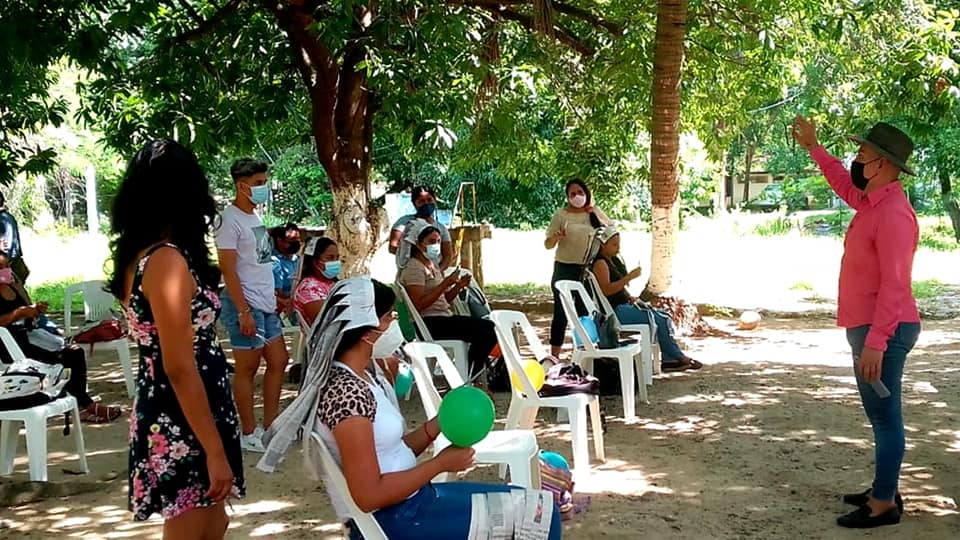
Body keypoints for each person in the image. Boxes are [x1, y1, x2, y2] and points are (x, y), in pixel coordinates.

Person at [257, 277, 561, 539]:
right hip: (396, 519)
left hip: (412, 502)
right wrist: (439, 464)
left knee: (533, 504)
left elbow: (389, 451)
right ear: (366, 331)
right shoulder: (346, 394)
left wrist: (436, 425)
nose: (395, 324)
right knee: (541, 517)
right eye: (389, 317)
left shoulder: (365, 377)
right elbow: (368, 496)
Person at [106, 140, 244, 537]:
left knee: (213, 522)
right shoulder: (166, 261)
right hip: (184, 418)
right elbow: (180, 366)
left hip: (189, 412)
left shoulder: (146, 253)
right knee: (195, 525)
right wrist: (213, 450)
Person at [793, 116, 921, 529]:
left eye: (862, 153)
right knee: (879, 414)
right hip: (868, 327)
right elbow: (841, 182)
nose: (856, 159)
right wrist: (814, 147)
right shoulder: (871, 201)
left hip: (885, 330)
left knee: (885, 418)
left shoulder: (894, 214)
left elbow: (896, 284)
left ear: (882, 163)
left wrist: (877, 341)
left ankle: (883, 503)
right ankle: (884, 487)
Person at [216, 158, 289, 453]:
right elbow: (229, 269)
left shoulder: (254, 217)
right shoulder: (228, 220)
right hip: (244, 303)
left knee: (279, 360)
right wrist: (243, 310)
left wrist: (274, 295)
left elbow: (260, 262)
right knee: (247, 368)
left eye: (264, 182)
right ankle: (248, 431)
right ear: (241, 185)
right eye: (259, 183)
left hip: (265, 301)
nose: (264, 188)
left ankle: (271, 425)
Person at [0, 251, 121, 423]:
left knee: (74, 352)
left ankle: (81, 403)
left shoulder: (12, 286)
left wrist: (33, 308)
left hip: (30, 337)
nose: (6, 271)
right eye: (1, 268)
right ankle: (84, 405)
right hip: (9, 346)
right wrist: (18, 313)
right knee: (64, 359)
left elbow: (26, 306)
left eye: (7, 266)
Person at [590, 226, 701, 372]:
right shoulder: (600, 263)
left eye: (619, 244)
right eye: (614, 245)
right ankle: (676, 357)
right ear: (603, 244)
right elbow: (606, 290)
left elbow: (618, 290)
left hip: (623, 305)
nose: (618, 248)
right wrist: (628, 278)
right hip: (615, 311)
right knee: (659, 319)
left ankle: (670, 359)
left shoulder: (612, 261)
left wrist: (629, 297)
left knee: (664, 316)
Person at [399, 223, 497, 382]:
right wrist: (445, 283)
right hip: (430, 323)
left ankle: (472, 372)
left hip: (443, 318)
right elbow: (418, 304)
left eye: (438, 241)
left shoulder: (432, 265)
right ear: (418, 243)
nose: (436, 245)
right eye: (431, 241)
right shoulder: (414, 268)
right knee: (486, 331)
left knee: (488, 328)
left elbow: (444, 299)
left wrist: (458, 286)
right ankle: (471, 375)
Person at [544, 179, 611, 357]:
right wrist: (556, 237)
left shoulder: (593, 212)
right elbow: (548, 244)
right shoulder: (561, 215)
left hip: (585, 270)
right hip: (563, 268)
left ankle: (586, 353)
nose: (577, 197)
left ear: (587, 193)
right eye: (572, 194)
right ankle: (554, 356)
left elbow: (610, 231)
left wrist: (594, 212)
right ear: (567, 197)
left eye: (580, 192)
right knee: (561, 313)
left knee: (585, 312)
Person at [388, 185, 455, 270]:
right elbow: (392, 247)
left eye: (429, 200)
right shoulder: (403, 223)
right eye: (421, 201)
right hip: (411, 271)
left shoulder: (441, 228)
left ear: (434, 201)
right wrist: (417, 257)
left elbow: (448, 256)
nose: (426, 203)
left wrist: (437, 272)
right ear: (414, 204)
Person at [293, 237, 340, 328]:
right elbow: (327, 322)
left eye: (337, 257)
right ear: (315, 261)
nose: (335, 262)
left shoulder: (333, 283)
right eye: (330, 258)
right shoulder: (308, 289)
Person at [270, 222, 301, 318]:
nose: (296, 243)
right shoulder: (274, 262)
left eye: (298, 239)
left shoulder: (298, 259)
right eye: (292, 240)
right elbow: (279, 292)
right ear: (279, 240)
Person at [0, 191, 28, 284]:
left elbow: (3, 247)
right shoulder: (9, 217)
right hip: (15, 263)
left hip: (6, 266)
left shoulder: (2, 219)